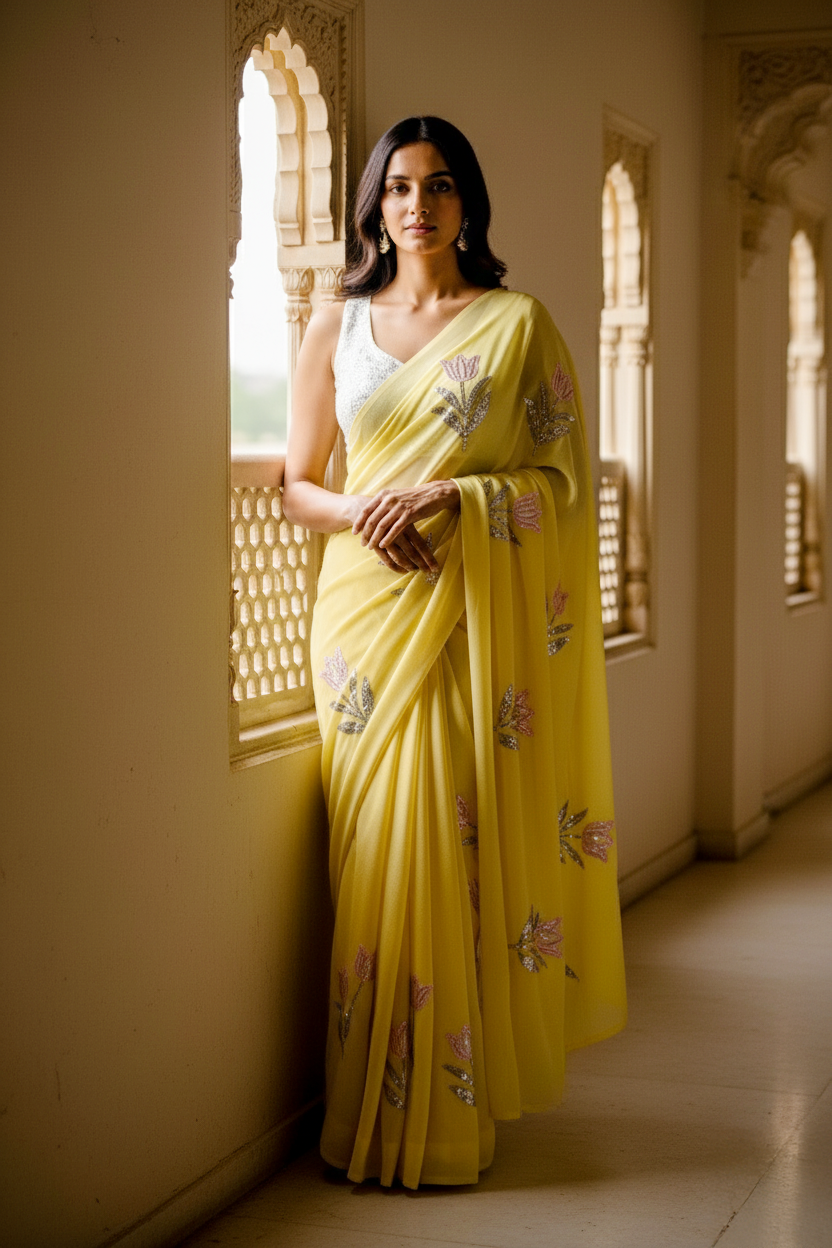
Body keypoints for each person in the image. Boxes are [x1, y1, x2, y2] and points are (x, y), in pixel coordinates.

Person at [283, 116, 626, 1189]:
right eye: (395, 188)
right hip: (362, 626)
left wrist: (459, 497)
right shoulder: (333, 324)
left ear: (466, 201)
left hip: (466, 623)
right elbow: (296, 482)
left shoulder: (517, 325)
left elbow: (564, 486)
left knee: (448, 855)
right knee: (380, 859)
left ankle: (441, 1122)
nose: (414, 206)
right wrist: (369, 517)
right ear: (373, 206)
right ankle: (375, 1110)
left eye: (434, 186)